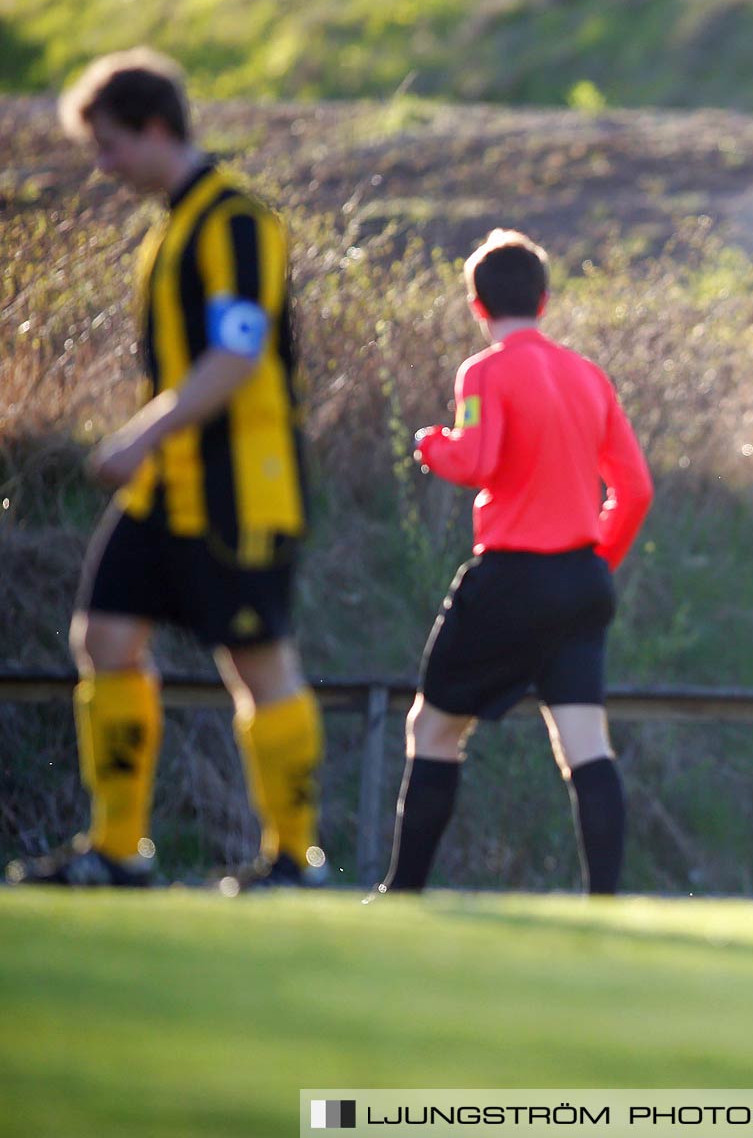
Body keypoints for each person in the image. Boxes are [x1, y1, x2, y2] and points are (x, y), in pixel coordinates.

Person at [7, 49, 325, 891]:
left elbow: (240, 356)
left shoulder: (236, 221)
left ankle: (294, 858)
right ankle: (117, 848)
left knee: (256, 667)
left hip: (240, 486)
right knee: (104, 638)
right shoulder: (170, 229)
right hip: (165, 487)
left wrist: (141, 434)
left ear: (155, 128)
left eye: (110, 147)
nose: (104, 167)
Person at [374, 229, 653, 897]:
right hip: (583, 579)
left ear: (477, 305)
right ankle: (605, 905)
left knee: (432, 727)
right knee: (586, 743)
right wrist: (593, 562)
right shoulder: (588, 375)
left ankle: (402, 892)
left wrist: (430, 444)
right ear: (545, 300)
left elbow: (476, 462)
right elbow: (635, 489)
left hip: (509, 576)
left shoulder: (483, 372)